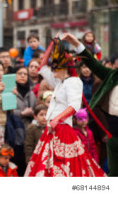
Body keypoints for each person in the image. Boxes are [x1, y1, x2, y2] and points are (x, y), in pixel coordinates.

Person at [24, 36, 106, 177]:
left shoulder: (73, 81)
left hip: (62, 128)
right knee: (49, 165)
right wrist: (51, 45)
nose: (52, 70)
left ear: (64, 68)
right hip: (52, 128)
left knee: (63, 165)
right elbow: (42, 67)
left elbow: (74, 106)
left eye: (55, 67)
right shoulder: (59, 82)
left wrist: (57, 120)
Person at [63, 33, 118, 176]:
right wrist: (76, 44)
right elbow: (93, 64)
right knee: (114, 171)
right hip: (113, 128)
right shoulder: (111, 76)